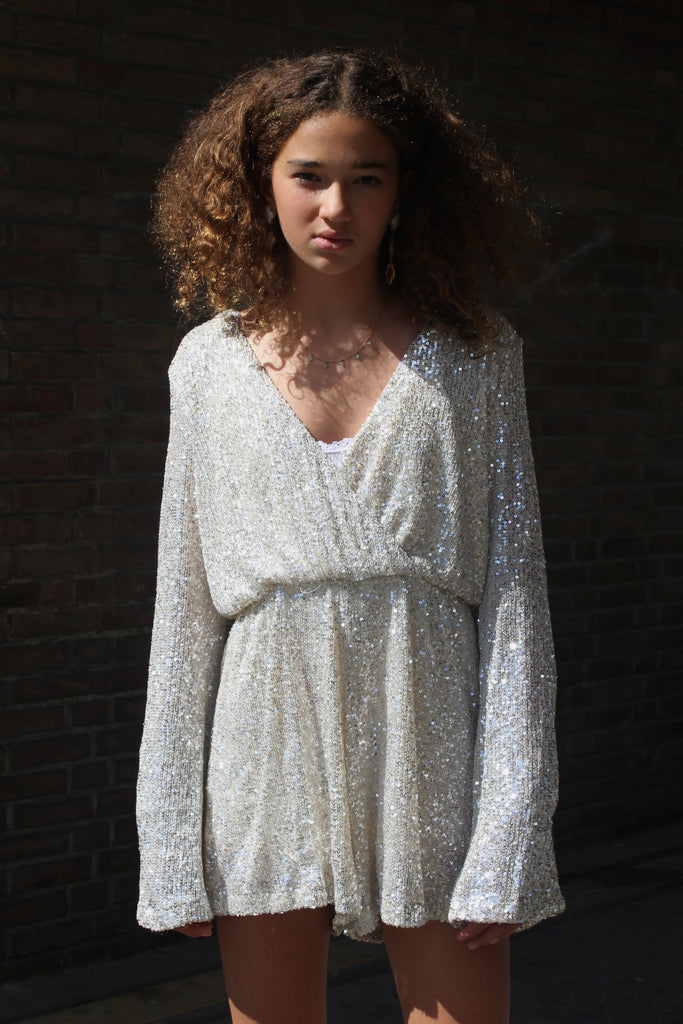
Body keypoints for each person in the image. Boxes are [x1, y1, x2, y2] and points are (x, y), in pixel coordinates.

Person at [136, 49, 564, 1024]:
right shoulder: (206, 364)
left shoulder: (474, 353)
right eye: (308, 176)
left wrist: (509, 825)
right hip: (262, 737)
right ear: (259, 185)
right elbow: (183, 608)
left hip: (429, 735)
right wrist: (168, 838)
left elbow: (514, 601)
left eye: (366, 178)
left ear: (405, 190)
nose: (335, 206)